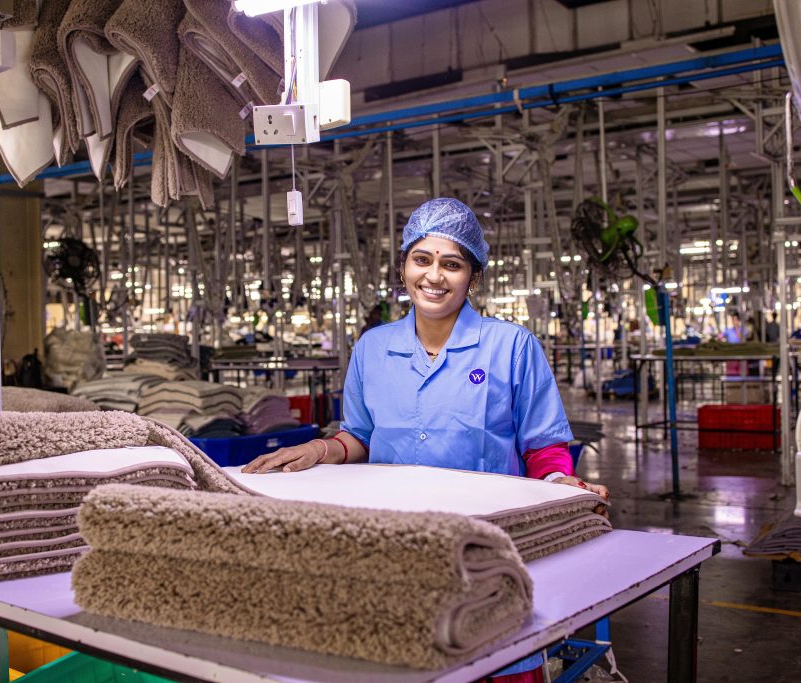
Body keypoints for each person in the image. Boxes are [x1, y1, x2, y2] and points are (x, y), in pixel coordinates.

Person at [244, 198, 609, 683]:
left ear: (472, 277)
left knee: (491, 650)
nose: (434, 276)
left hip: (486, 542)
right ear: (403, 267)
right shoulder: (373, 347)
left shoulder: (512, 346)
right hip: (396, 540)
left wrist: (561, 480)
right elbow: (360, 436)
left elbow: (542, 444)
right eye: (422, 259)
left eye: (452, 264)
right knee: (401, 652)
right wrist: (321, 449)